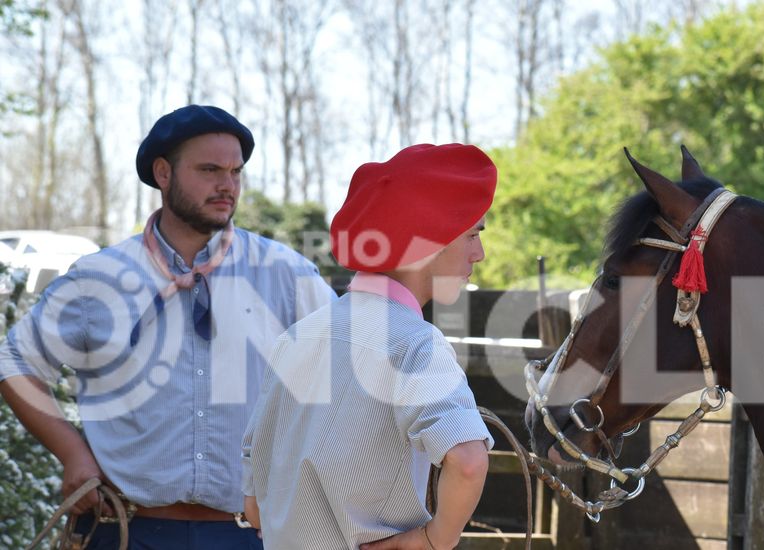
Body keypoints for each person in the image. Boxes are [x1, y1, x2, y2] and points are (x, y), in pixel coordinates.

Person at [0, 104, 336, 549]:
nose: (227, 185)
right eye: (210, 169)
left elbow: (348, 371)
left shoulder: (286, 275)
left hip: (253, 535)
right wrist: (74, 454)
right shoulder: (97, 278)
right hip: (124, 532)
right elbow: (15, 361)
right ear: (163, 173)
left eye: (235, 172)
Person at [242, 143, 496, 549]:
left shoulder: (294, 338)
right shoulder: (416, 343)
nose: (479, 254)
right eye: (471, 234)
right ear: (429, 243)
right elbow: (467, 462)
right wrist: (433, 540)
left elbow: (253, 505)